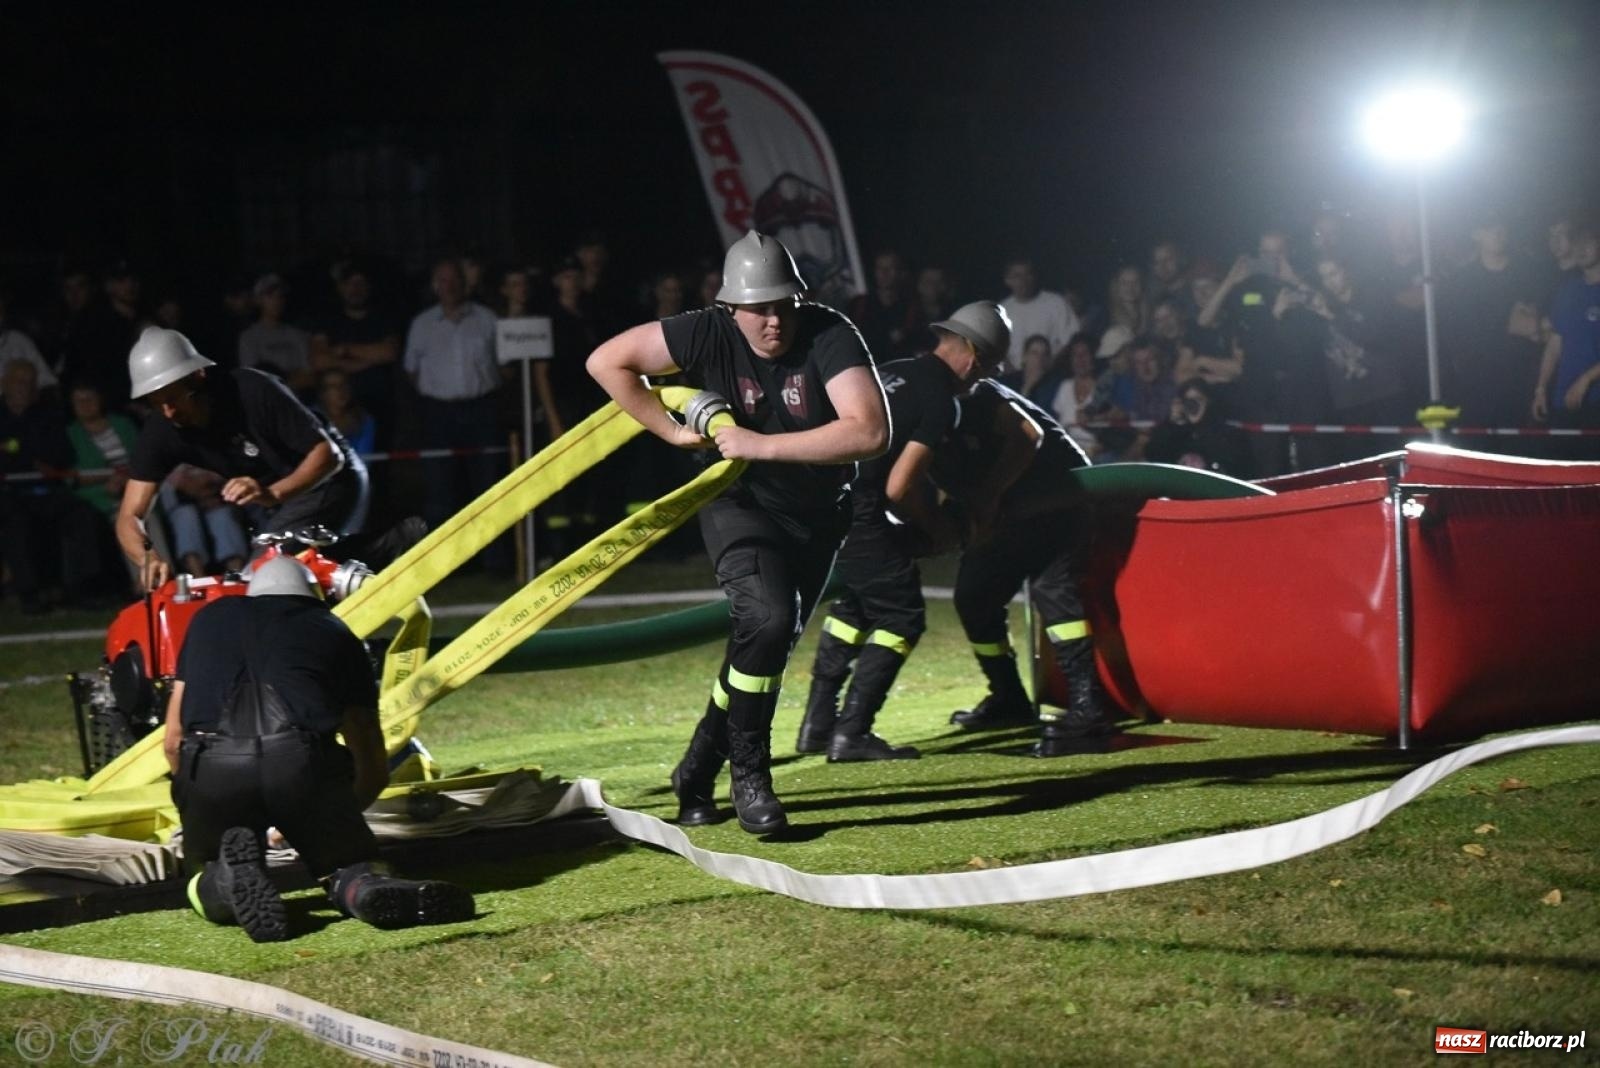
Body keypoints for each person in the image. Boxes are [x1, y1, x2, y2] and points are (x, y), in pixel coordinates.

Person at [587, 230, 888, 834]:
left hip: (817, 514)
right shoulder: (704, 329)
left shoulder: (830, 332)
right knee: (769, 619)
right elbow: (605, 362)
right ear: (730, 307)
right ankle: (751, 776)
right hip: (739, 502)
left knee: (763, 644)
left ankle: (696, 767)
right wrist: (670, 432)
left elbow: (870, 432)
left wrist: (761, 444)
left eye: (783, 305)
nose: (773, 321)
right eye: (758, 309)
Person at [163, 555, 474, 942]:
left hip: (212, 766)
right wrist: (332, 818)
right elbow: (370, 758)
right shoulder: (335, 631)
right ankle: (364, 889)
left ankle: (224, 880)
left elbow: (173, 741)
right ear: (314, 596)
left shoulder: (208, 620)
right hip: (298, 764)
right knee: (347, 864)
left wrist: (196, 795)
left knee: (205, 868)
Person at [796, 304, 1007, 764]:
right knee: (901, 615)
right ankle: (852, 734)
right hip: (861, 509)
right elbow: (899, 487)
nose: (980, 381)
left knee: (854, 606)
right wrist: (935, 529)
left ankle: (817, 726)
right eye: (987, 369)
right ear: (973, 359)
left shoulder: (892, 371)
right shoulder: (941, 402)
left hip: (821, 502)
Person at [932, 341, 1112, 757]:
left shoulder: (985, 397)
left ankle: (1088, 707)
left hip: (1058, 502)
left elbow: (1026, 440)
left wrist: (988, 499)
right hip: (1013, 514)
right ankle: (1008, 696)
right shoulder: (935, 405)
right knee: (973, 597)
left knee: (1053, 590)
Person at [116, 327, 369, 591]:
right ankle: (391, 545)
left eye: (174, 399)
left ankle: (389, 547)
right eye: (156, 403)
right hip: (274, 500)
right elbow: (129, 515)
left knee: (263, 577)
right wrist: (147, 556)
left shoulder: (253, 389)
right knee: (293, 576)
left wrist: (272, 493)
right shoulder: (161, 429)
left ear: (198, 376)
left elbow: (328, 456)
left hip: (327, 479)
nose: (168, 412)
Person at [1532, 220, 1600, 436]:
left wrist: (1586, 379)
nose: (1581, 249)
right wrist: (1541, 388)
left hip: (1595, 399)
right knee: (1561, 465)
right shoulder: (1568, 290)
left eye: (1588, 242)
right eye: (1577, 242)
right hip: (1564, 400)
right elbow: (1554, 343)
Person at [999, 257, 1078, 372]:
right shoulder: (1001, 310)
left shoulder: (1056, 303)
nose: (1023, 280)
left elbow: (1072, 339)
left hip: (1051, 374)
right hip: (1013, 376)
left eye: (1028, 274)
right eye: (1017, 276)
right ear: (1007, 280)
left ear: (1034, 276)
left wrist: (1051, 365)